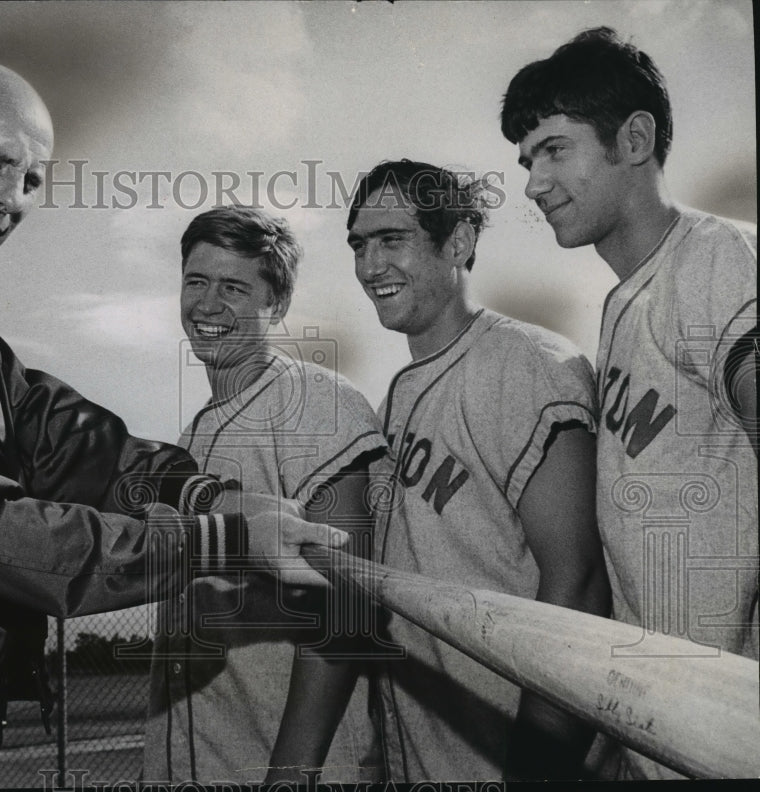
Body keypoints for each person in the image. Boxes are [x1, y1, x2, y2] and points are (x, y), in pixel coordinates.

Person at [0, 61, 344, 790]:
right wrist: (222, 540)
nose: (11, 199)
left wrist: (202, 494)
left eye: (33, 180)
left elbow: (55, 429)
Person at [501, 27, 758, 781]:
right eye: (525, 160)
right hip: (662, 738)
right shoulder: (622, 310)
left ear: (634, 138)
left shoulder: (716, 257)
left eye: (554, 149)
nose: (533, 183)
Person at [345, 159, 612, 781]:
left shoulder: (528, 364)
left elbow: (579, 586)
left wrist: (535, 772)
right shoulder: (394, 400)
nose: (369, 265)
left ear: (459, 241)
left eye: (392, 240)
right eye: (359, 245)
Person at [141, 206, 388, 784]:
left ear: (275, 304)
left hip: (292, 769)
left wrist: (290, 775)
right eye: (196, 282)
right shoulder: (190, 438)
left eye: (234, 287)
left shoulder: (316, 401)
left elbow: (348, 605)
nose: (207, 304)